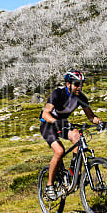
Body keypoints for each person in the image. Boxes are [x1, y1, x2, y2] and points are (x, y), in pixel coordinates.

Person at [39, 70, 103, 199]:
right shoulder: (58, 93)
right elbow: (45, 114)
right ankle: (49, 186)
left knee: (78, 138)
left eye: (81, 84)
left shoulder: (81, 97)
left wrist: (100, 122)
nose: (79, 87)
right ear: (68, 84)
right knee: (59, 151)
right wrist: (55, 121)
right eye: (76, 84)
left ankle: (74, 175)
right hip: (48, 124)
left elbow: (91, 117)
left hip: (62, 124)